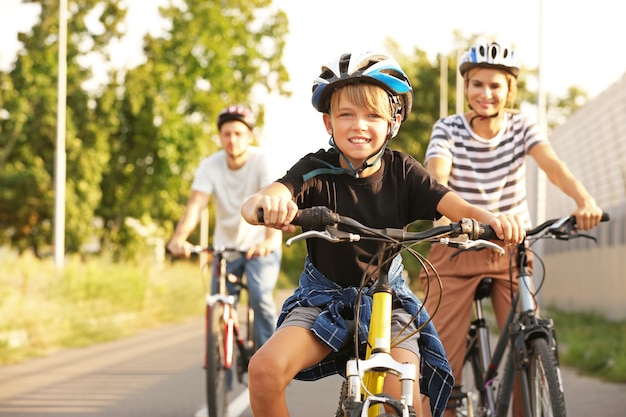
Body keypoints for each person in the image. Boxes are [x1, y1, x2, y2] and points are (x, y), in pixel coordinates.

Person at [239, 51, 526, 417]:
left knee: (405, 396)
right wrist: (264, 205)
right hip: (322, 300)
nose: (359, 125)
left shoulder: (403, 172)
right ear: (328, 122)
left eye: (373, 115)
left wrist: (496, 220)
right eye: (346, 114)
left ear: (393, 121)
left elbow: (460, 208)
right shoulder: (315, 169)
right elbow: (266, 197)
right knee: (263, 371)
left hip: (388, 305)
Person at [419, 41, 604, 417]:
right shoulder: (449, 128)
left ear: (509, 90)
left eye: (495, 86)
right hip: (457, 247)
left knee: (527, 343)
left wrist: (584, 201)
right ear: (466, 87)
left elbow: (551, 165)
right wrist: (442, 213)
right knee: (441, 358)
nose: (485, 94)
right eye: (477, 84)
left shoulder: (522, 126)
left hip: (511, 250)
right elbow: (437, 174)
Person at [167, 105, 282, 351]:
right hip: (225, 247)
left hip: (259, 246)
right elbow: (196, 206)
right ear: (220, 137)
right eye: (227, 134)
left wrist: (270, 240)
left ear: (249, 136)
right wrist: (179, 238)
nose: (232, 140)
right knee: (218, 304)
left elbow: (272, 201)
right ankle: (222, 378)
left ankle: (270, 363)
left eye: (238, 134)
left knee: (260, 297)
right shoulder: (210, 165)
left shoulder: (262, 161)